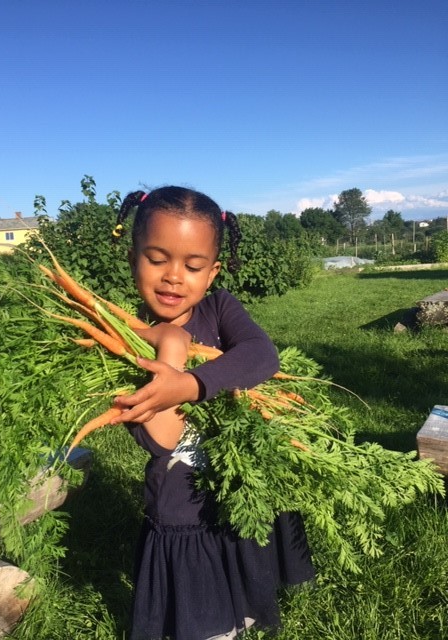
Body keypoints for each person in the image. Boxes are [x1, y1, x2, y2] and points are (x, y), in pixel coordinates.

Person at [110, 186, 315, 640]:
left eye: (192, 265)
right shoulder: (120, 342)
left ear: (212, 272)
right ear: (133, 259)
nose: (173, 277)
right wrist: (171, 347)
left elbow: (263, 355)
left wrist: (190, 384)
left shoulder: (220, 308)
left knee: (241, 572)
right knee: (202, 618)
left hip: (238, 487)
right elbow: (160, 440)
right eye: (157, 259)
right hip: (183, 508)